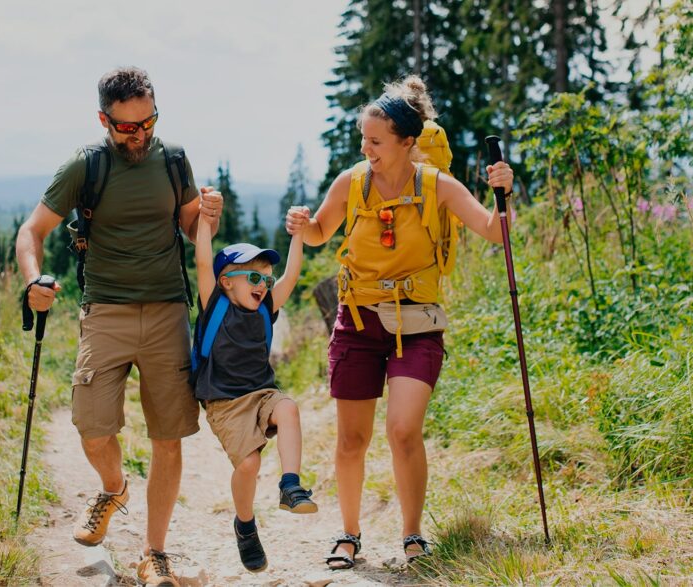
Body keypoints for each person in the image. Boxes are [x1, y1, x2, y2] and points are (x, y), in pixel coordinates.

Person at [284, 75, 514, 569]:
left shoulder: (438, 186)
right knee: (352, 440)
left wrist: (504, 193)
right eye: (363, 139)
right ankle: (349, 534)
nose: (366, 149)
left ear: (408, 143)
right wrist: (305, 225)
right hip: (359, 319)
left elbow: (495, 231)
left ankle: (412, 534)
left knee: (404, 430)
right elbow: (324, 231)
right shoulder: (353, 181)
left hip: (418, 321)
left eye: (376, 141)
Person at [15, 66, 223, 586]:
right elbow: (31, 230)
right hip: (104, 309)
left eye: (147, 122)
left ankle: (155, 553)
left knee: (168, 437)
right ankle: (113, 487)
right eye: (126, 127)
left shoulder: (172, 159)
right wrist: (33, 278)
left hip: (167, 310)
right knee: (91, 426)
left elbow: (190, 226)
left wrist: (208, 217)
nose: (139, 135)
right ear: (103, 119)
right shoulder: (85, 166)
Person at [191, 206, 317, 573]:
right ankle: (245, 526)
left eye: (265, 278)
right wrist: (203, 219)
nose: (262, 285)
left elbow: (291, 276)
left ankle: (291, 486)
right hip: (225, 403)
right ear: (226, 281)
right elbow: (202, 261)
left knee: (289, 408)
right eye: (252, 277)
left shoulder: (265, 309)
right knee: (249, 463)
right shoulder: (214, 305)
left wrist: (299, 234)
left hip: (262, 393)